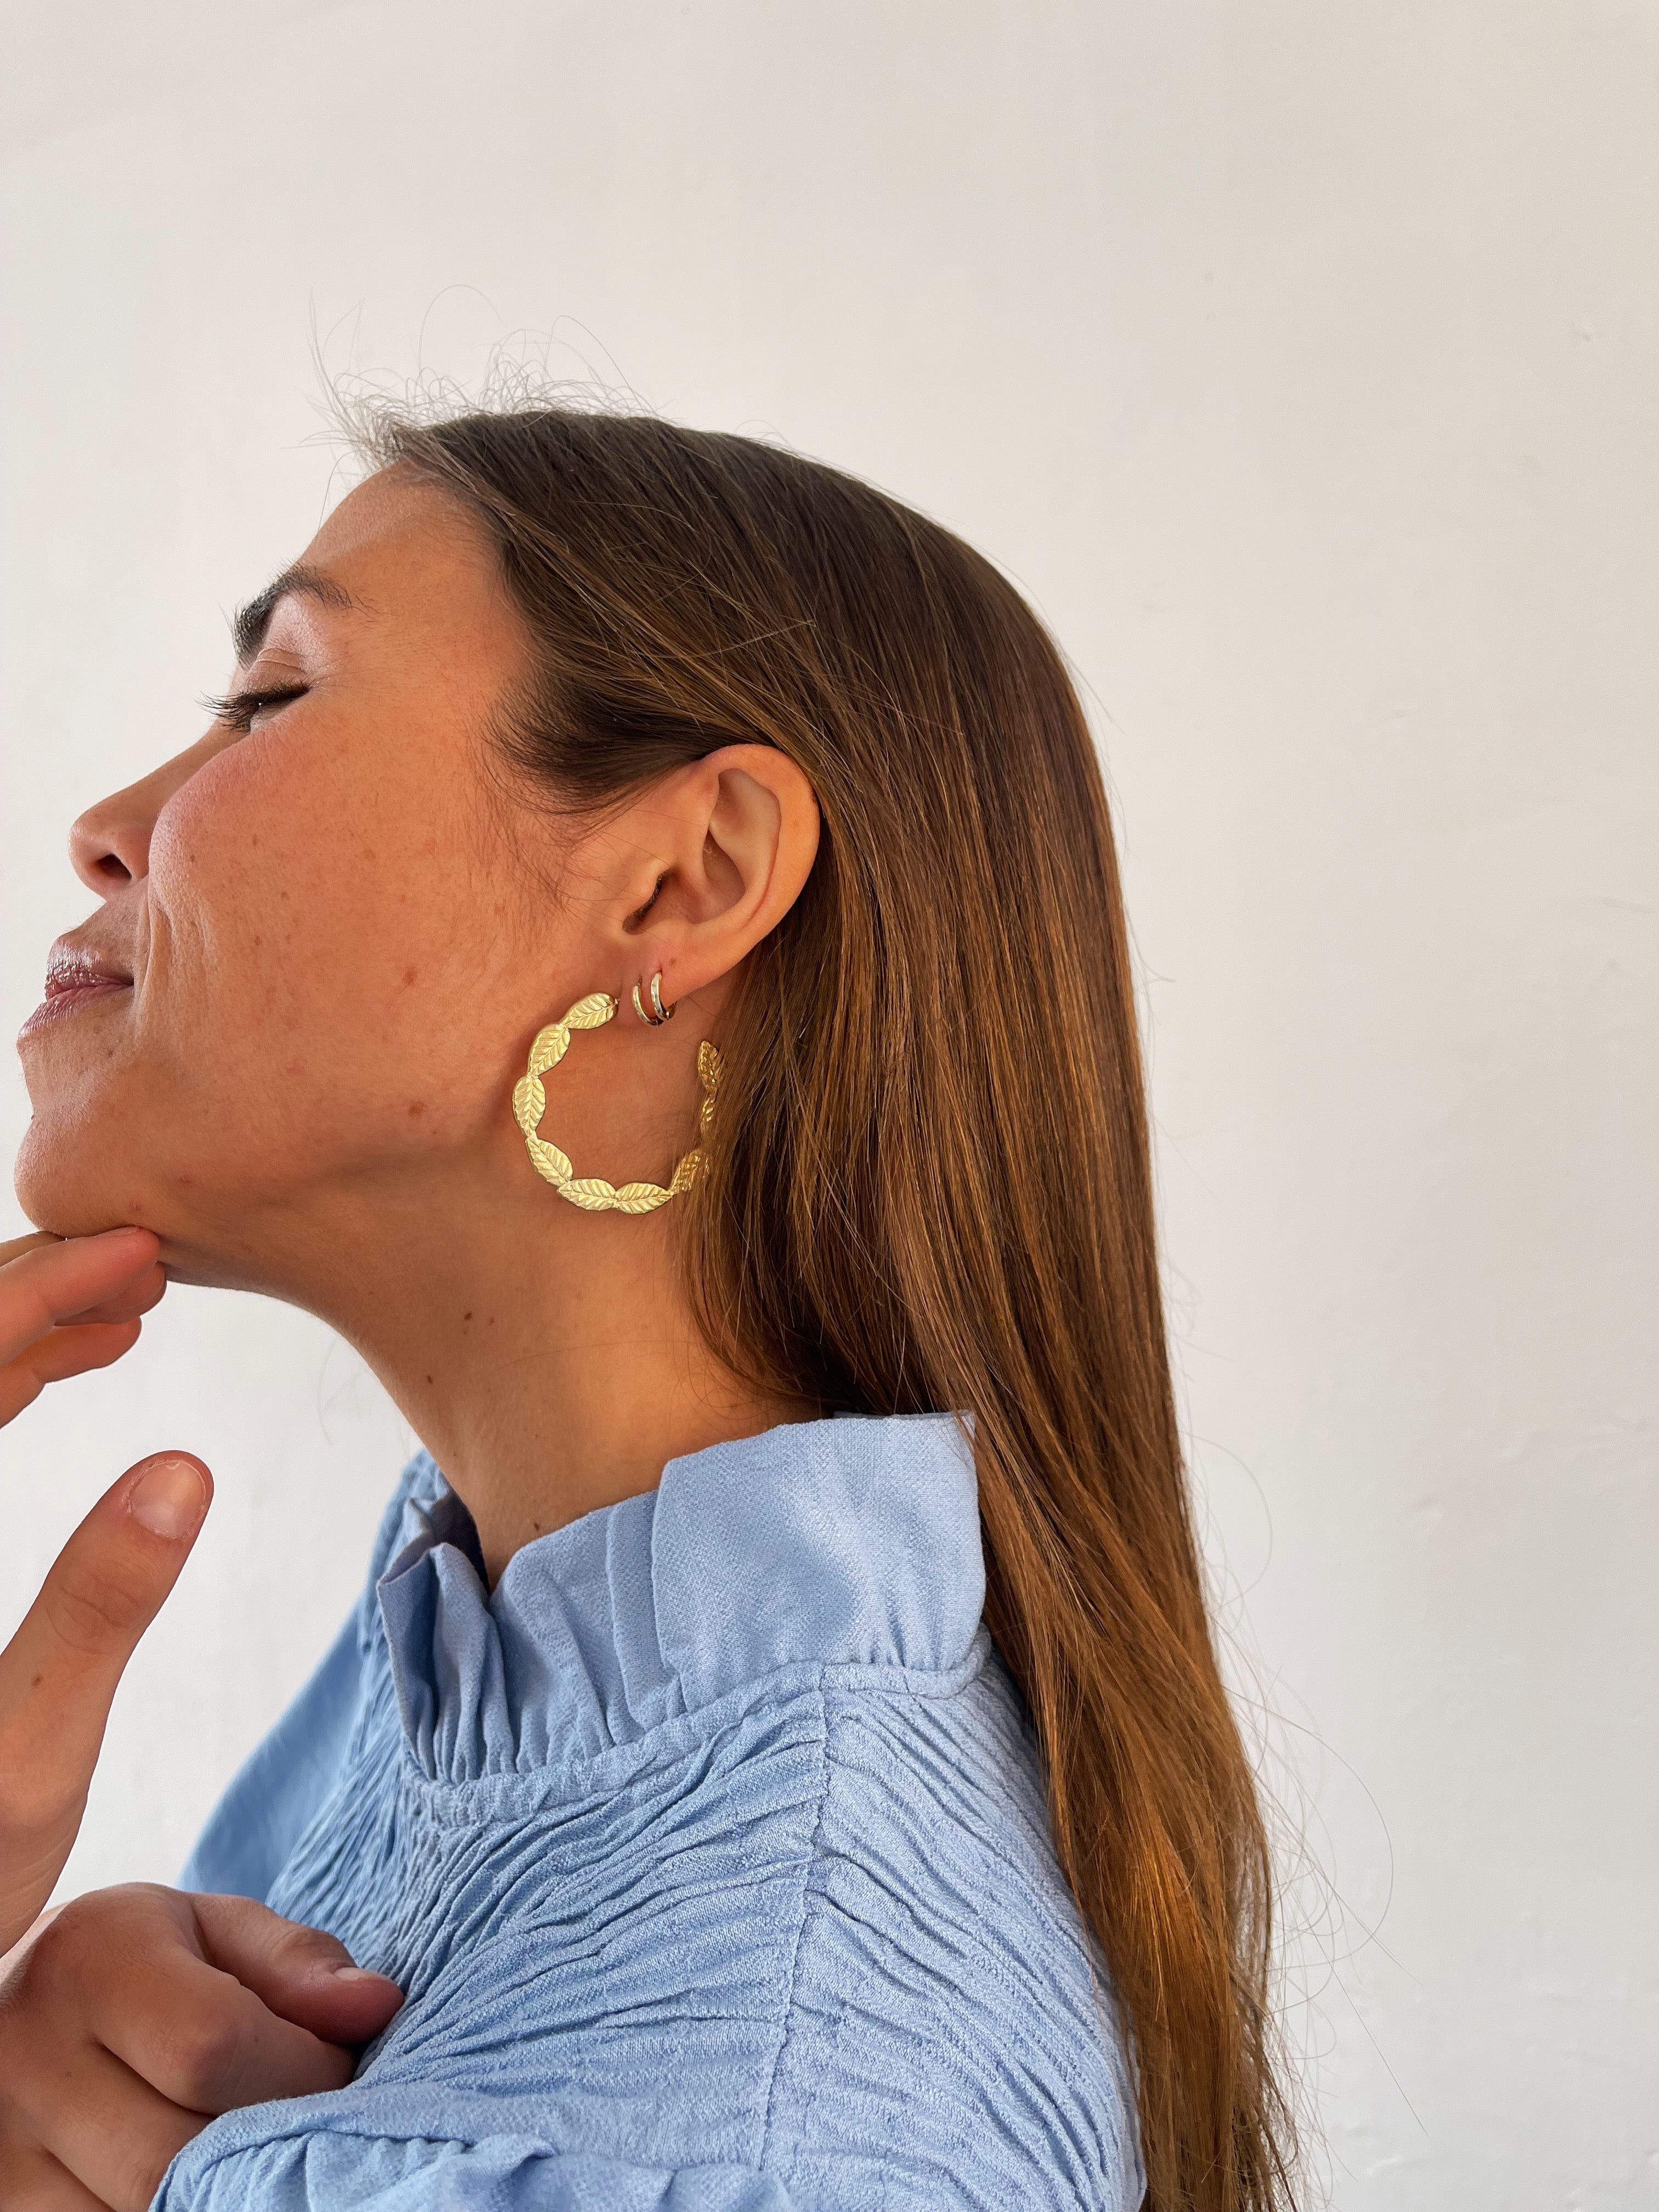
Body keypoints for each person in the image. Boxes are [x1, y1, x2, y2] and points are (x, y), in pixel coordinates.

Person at [0, 410, 1295, 2211]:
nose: (105, 832)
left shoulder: (783, 2138)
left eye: (273, 698)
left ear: (683, 884)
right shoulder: (478, 1668)